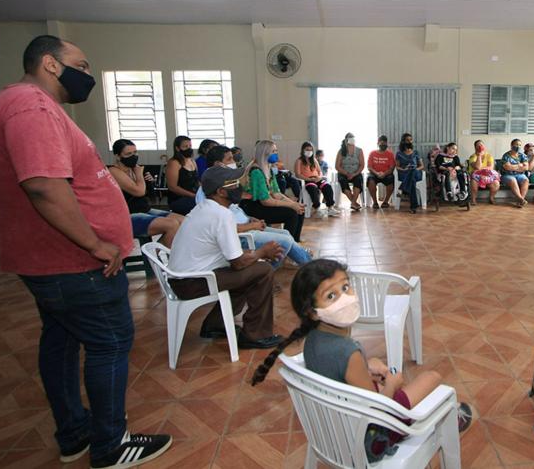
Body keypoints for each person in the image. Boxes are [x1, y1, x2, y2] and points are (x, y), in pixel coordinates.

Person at [0, 35, 171, 467]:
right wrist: (95, 243)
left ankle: (74, 433)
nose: (88, 75)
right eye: (81, 66)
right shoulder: (33, 107)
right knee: (110, 343)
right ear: (49, 64)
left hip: (51, 260)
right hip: (73, 262)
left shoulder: (19, 104)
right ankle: (110, 444)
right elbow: (43, 186)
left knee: (62, 340)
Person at [249, 259, 473, 463]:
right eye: (331, 296)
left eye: (345, 287)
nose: (345, 298)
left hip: (334, 425)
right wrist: (392, 384)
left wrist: (365, 366)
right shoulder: (348, 351)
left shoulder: (311, 340)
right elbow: (376, 410)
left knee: (397, 383)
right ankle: (444, 422)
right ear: (313, 312)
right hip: (369, 437)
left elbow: (336, 372)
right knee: (431, 378)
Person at [167, 166, 285, 347]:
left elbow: (231, 255)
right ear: (221, 192)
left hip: (183, 278)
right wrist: (262, 253)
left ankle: (215, 325)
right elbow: (237, 263)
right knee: (263, 271)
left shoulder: (206, 208)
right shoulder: (221, 215)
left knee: (251, 270)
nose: (240, 185)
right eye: (235, 183)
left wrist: (254, 256)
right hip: (191, 282)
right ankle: (256, 334)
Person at [194, 149, 313, 269]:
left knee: (286, 233)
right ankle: (267, 272)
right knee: (285, 240)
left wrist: (249, 218)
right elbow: (225, 227)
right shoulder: (210, 190)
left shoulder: (223, 182)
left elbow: (235, 210)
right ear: (218, 164)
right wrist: (251, 226)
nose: (233, 161)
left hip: (246, 225)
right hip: (242, 235)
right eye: (229, 159)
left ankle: (305, 261)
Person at [109, 139, 182, 247]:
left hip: (144, 209)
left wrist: (149, 182)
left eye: (135, 152)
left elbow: (150, 196)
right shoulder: (114, 171)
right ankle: (155, 255)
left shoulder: (133, 169)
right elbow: (139, 192)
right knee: (171, 225)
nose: (133, 156)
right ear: (118, 156)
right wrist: (139, 175)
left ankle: (156, 250)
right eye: (128, 154)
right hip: (127, 215)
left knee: (183, 221)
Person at [239, 140, 306, 242]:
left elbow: (276, 193)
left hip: (263, 204)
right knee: (291, 214)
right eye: (273, 151)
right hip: (253, 207)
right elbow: (266, 201)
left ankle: (295, 242)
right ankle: (287, 245)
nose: (276, 154)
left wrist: (294, 204)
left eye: (276, 151)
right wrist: (291, 205)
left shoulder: (268, 169)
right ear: (264, 153)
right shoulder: (256, 171)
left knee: (299, 210)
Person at [295, 141, 339, 217]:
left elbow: (320, 171)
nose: (309, 151)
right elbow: (298, 174)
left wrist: (319, 177)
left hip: (317, 179)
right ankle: (317, 207)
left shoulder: (314, 160)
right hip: (308, 180)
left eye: (310, 150)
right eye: (307, 149)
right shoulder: (299, 161)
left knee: (327, 186)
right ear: (303, 150)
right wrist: (309, 179)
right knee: (313, 189)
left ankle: (330, 207)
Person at [165, 135, 198, 215]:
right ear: (177, 148)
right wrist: (193, 195)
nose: (189, 148)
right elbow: (172, 187)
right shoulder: (174, 163)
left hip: (193, 196)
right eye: (185, 146)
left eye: (190, 146)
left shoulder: (192, 161)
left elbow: (197, 180)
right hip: (178, 199)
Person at [335, 132, 365, 211]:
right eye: (350, 138)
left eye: (353, 138)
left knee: (358, 180)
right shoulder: (341, 151)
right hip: (344, 173)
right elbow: (337, 166)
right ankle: (354, 202)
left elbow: (362, 165)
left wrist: (354, 174)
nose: (352, 140)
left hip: (356, 173)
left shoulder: (359, 150)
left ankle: (353, 202)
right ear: (346, 140)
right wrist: (347, 173)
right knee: (342, 181)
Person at [467, 139, 500, 205]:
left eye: (481, 145)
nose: (480, 146)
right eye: (478, 145)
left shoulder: (489, 156)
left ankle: (491, 198)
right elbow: (477, 167)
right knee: (473, 182)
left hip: (487, 176)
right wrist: (479, 155)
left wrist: (482, 171)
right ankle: (473, 200)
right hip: (475, 176)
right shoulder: (472, 157)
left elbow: (490, 167)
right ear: (475, 147)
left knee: (496, 183)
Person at [367, 135, 396, 209]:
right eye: (381, 143)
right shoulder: (372, 153)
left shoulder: (390, 154)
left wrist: (384, 173)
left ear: (387, 144)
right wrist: (376, 173)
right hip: (374, 174)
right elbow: (369, 167)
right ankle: (375, 202)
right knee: (370, 180)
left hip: (386, 174)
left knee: (391, 179)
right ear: (378, 143)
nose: (382, 145)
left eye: (384, 143)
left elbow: (392, 168)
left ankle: (386, 202)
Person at [500, 138, 530, 207]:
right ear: (511, 145)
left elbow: (526, 168)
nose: (518, 146)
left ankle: (520, 201)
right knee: (512, 180)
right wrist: (519, 165)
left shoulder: (523, 156)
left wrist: (513, 167)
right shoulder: (506, 155)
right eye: (516, 144)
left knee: (526, 180)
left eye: (519, 145)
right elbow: (507, 167)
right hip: (507, 175)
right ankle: (521, 199)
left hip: (520, 175)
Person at [395, 141, 423, 213]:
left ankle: (402, 189)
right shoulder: (399, 154)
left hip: (416, 172)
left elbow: (422, 166)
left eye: (410, 149)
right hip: (404, 173)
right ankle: (413, 206)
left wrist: (416, 169)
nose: (408, 150)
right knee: (412, 182)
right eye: (406, 149)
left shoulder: (416, 153)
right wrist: (404, 169)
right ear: (403, 148)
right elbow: (397, 167)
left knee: (412, 171)